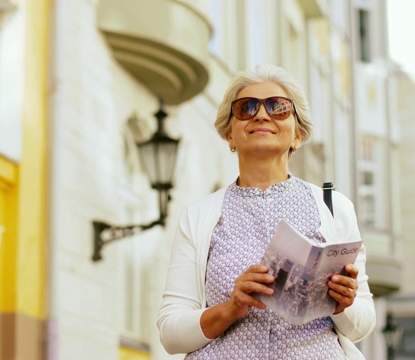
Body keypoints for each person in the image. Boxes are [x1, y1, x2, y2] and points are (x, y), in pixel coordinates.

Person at [156, 64, 376, 359]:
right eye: (245, 108)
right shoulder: (199, 216)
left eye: (279, 107)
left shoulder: (334, 208)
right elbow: (170, 333)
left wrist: (342, 304)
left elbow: (363, 324)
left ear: (297, 134)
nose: (261, 115)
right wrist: (231, 307)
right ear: (230, 136)